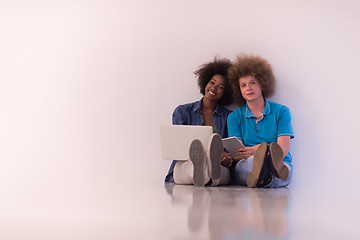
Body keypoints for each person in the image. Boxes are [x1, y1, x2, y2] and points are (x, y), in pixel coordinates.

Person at [164, 57, 234, 187]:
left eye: (221, 87)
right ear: (205, 82)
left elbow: (230, 150)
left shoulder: (229, 117)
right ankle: (201, 170)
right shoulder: (182, 112)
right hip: (187, 162)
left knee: (217, 170)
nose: (213, 88)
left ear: (226, 93)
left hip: (217, 165)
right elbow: (177, 147)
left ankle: (205, 171)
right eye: (212, 82)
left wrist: (226, 159)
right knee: (190, 167)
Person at [226, 54, 294, 188]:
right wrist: (258, 152)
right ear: (239, 90)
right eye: (243, 85)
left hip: (280, 161)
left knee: (284, 169)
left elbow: (283, 150)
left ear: (262, 84)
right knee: (249, 164)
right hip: (248, 162)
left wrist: (253, 150)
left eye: (253, 83)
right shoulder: (234, 117)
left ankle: (265, 175)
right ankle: (268, 176)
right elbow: (238, 155)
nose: (248, 88)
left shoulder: (281, 112)